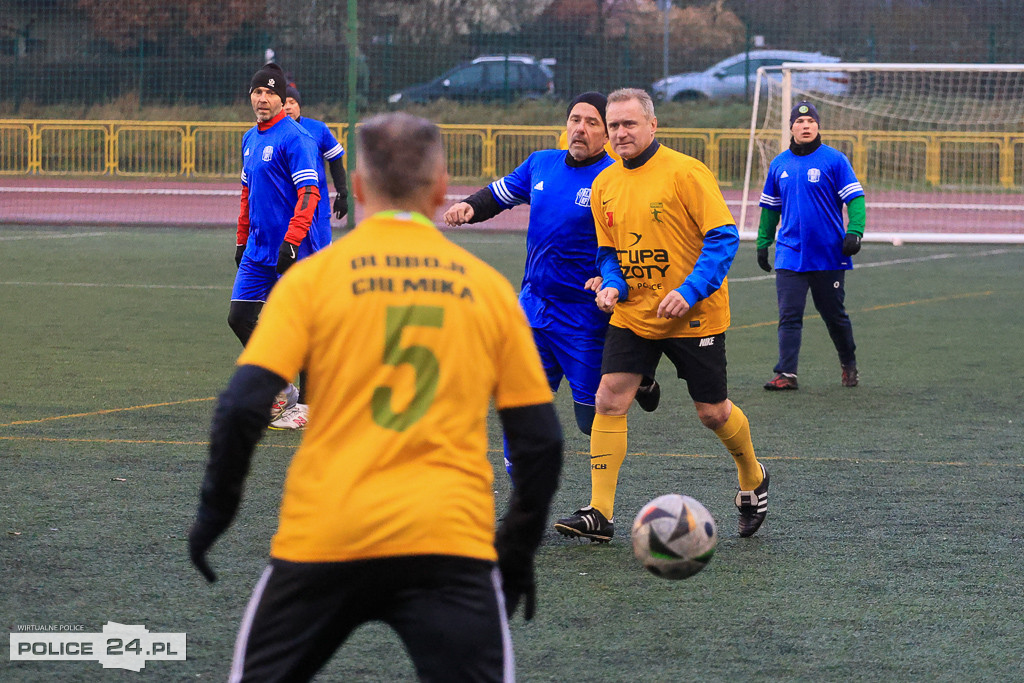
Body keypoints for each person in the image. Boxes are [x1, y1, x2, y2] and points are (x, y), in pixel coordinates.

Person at [188, 112, 564, 682]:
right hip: (448, 544)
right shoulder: (486, 289)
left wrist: (216, 514)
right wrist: (515, 552)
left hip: (327, 536)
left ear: (358, 187)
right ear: (441, 190)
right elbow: (539, 440)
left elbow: (242, 405)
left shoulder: (312, 282)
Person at [553, 88, 768, 542]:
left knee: (711, 412)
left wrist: (689, 290)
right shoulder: (605, 184)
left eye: (629, 124)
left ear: (653, 126)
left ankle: (752, 476)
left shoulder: (685, 172)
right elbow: (607, 252)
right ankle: (600, 512)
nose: (620, 133)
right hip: (635, 315)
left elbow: (724, 237)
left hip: (695, 314)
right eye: (613, 126)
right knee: (609, 398)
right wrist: (612, 282)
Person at [443, 92, 660, 476]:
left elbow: (634, 241)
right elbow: (499, 194)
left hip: (584, 317)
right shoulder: (540, 164)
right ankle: (526, 502)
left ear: (606, 135)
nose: (581, 129)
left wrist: (614, 277)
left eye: (593, 123)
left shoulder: (614, 179)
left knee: (591, 420)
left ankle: (637, 379)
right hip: (533, 309)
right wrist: (470, 207)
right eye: (575, 119)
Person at [229, 63, 322, 425]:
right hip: (257, 250)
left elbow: (309, 193)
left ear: (283, 100)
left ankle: (309, 408)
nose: (263, 99)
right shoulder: (249, 139)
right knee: (239, 318)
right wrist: (241, 240)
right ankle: (282, 389)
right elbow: (246, 193)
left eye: (270, 93)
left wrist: (292, 241)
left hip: (293, 251)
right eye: (257, 92)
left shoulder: (296, 138)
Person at [757, 101, 866, 390]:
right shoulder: (779, 164)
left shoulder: (835, 160)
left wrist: (854, 231)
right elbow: (770, 208)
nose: (806, 126)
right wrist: (763, 242)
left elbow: (855, 199)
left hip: (829, 254)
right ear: (791, 127)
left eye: (811, 122)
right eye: (800, 122)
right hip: (790, 253)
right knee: (789, 314)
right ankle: (786, 374)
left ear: (818, 126)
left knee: (833, 315)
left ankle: (848, 363)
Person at [268, 82, 350, 430]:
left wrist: (343, 191)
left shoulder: (316, 130)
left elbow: (336, 161)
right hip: (292, 224)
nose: (287, 107)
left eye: (290, 102)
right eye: (282, 102)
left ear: (298, 104)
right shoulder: (276, 135)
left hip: (315, 221)